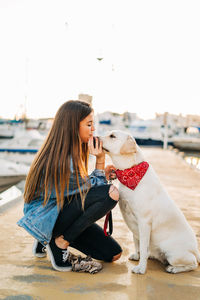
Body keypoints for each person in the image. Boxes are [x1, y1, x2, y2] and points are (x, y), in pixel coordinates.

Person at [17, 100, 122, 272]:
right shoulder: (60, 160)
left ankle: (46, 239)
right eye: (89, 124)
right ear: (73, 126)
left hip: (58, 213)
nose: (93, 129)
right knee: (111, 193)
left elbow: (77, 188)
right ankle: (59, 243)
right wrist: (101, 162)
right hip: (47, 217)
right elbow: (89, 190)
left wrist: (101, 174)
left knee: (114, 254)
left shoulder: (70, 153)